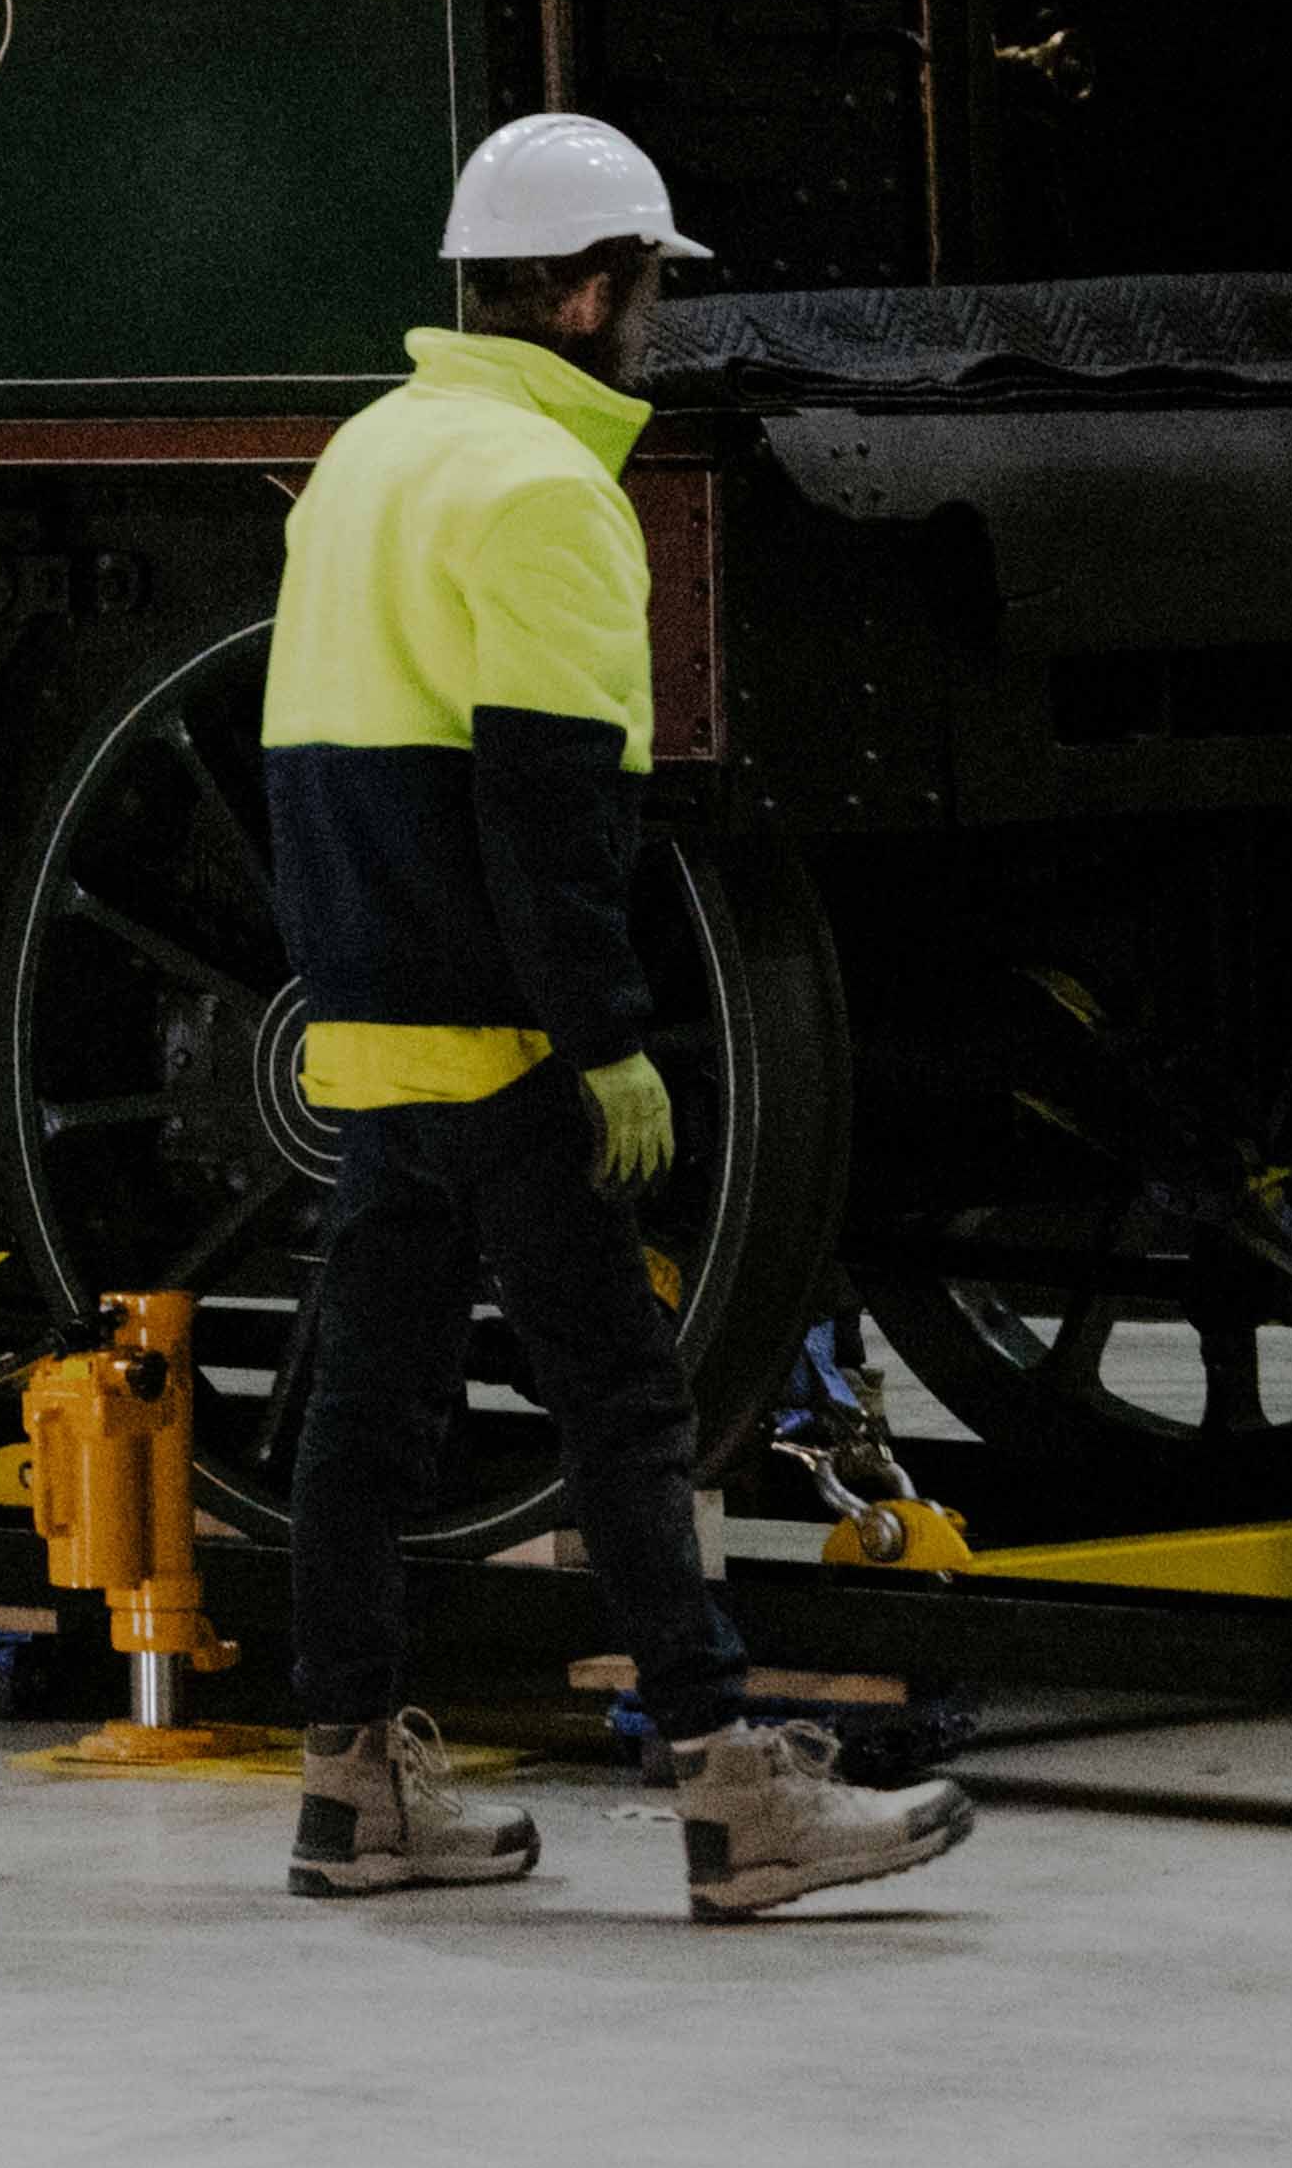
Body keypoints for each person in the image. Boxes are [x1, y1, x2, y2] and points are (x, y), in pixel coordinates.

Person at [270, 110, 969, 1926]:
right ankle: (736, 1790)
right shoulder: (544, 490)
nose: (653, 321)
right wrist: (602, 1038)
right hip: (507, 1043)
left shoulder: (363, 457)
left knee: (369, 1408)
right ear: (584, 293)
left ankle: (350, 1788)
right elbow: (554, 804)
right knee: (625, 1408)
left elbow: (315, 762)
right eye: (648, 288)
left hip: (364, 1027)